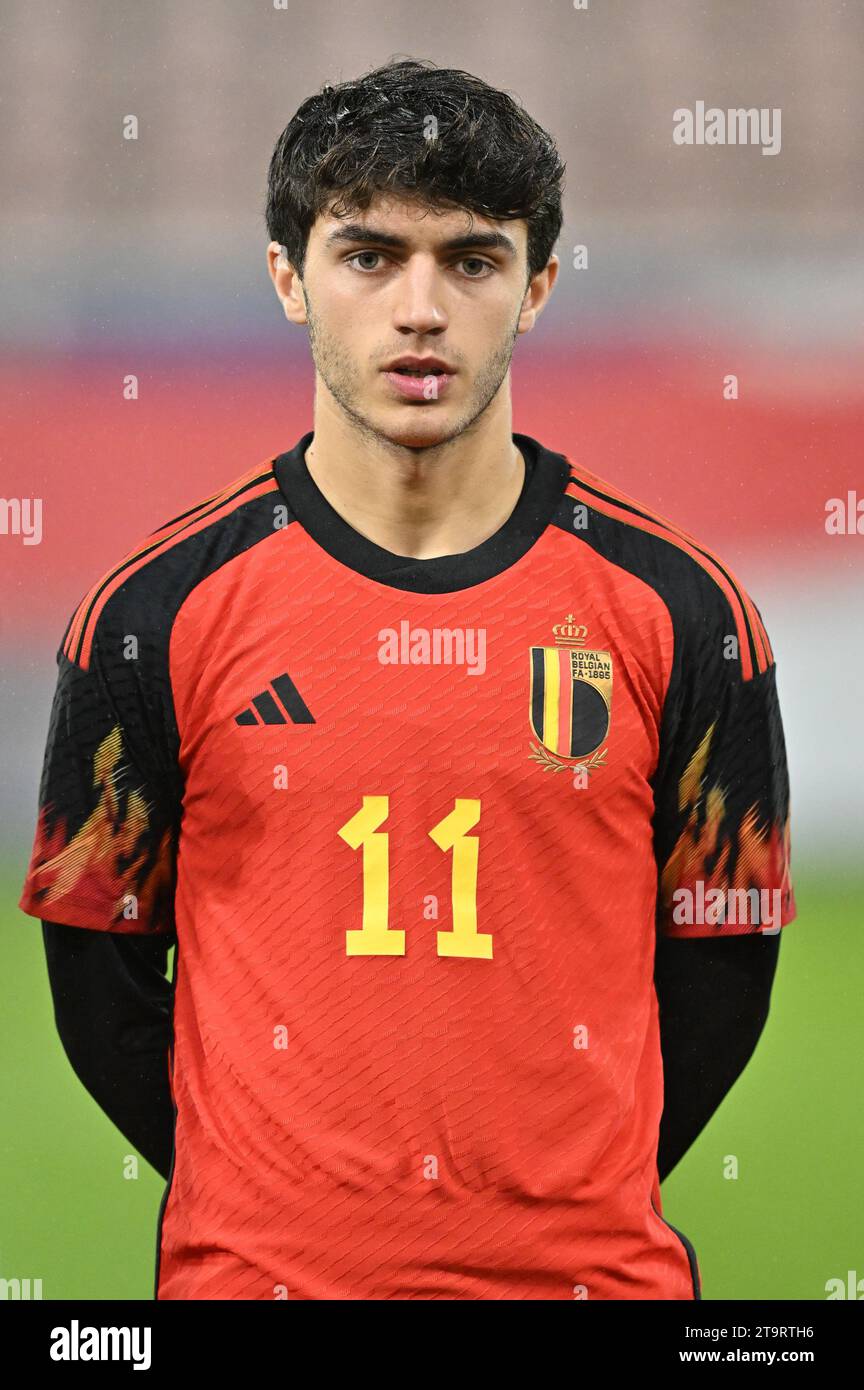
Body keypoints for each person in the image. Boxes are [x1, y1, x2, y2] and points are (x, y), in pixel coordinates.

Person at [21, 57, 794, 1301]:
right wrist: (267, 1203)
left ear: (538, 286)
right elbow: (99, 980)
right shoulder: (146, 615)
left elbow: (721, 970)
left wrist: (563, 1199)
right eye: (369, 256)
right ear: (289, 278)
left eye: (473, 261)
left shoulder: (686, 613)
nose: (420, 309)